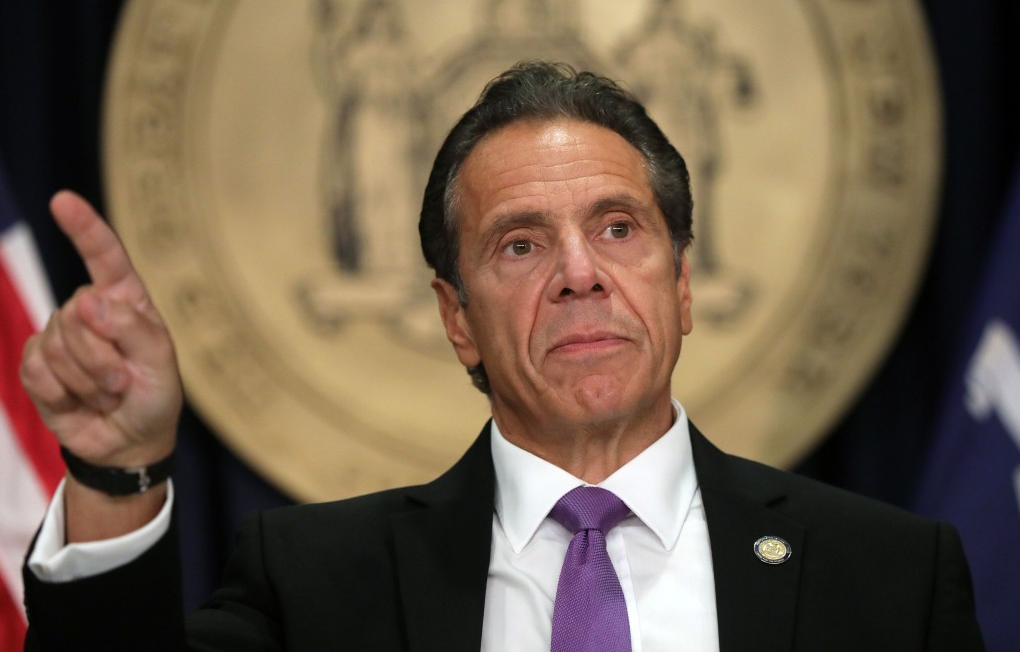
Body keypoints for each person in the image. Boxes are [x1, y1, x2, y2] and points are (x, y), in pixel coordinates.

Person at [20, 62, 983, 650]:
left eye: (617, 228)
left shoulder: (886, 575)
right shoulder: (317, 586)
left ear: (681, 285)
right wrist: (115, 469)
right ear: (457, 319)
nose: (579, 273)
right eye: (519, 245)